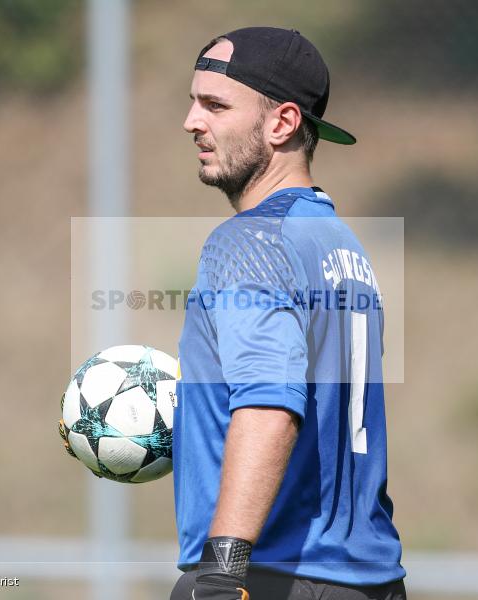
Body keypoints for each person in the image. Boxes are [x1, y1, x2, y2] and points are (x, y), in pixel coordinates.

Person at [171, 27, 406, 600]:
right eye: (194, 100)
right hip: (369, 582)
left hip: (272, 577)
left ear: (281, 123)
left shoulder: (251, 241)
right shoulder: (341, 245)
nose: (191, 121)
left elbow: (270, 406)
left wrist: (222, 573)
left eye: (215, 105)